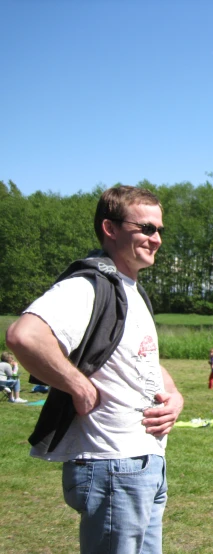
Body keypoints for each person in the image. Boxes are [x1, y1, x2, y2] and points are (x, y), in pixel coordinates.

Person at [6, 185, 184, 554]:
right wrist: (79, 385)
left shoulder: (130, 289)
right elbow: (25, 336)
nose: (157, 240)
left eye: (160, 230)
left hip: (141, 463)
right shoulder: (88, 285)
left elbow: (142, 358)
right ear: (111, 228)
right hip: (113, 465)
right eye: (147, 229)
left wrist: (175, 395)